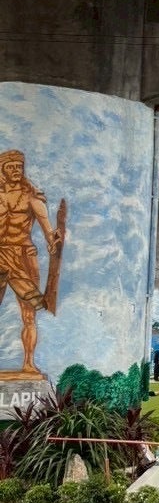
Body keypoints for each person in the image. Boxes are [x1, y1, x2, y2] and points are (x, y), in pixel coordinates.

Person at [0, 149, 62, 376]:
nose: (16, 170)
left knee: (28, 314)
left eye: (19, 167)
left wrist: (54, 240)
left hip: (24, 256)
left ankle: (28, 363)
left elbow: (47, 229)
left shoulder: (31, 197)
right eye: (11, 167)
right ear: (2, 170)